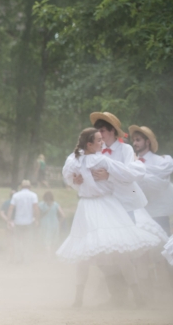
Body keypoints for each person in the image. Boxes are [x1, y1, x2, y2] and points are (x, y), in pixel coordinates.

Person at [59, 128, 160, 307]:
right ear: (89, 144)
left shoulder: (74, 160)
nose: (102, 143)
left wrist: (75, 180)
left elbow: (67, 175)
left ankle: (80, 299)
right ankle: (135, 296)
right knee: (117, 252)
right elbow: (128, 173)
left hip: (94, 205)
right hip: (101, 205)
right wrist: (78, 179)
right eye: (98, 140)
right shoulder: (99, 159)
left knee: (89, 251)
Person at [129, 125, 173, 235]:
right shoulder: (131, 163)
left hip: (159, 213)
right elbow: (131, 188)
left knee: (164, 248)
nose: (135, 143)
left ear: (147, 141)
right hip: (140, 215)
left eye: (138, 140)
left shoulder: (160, 161)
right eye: (134, 140)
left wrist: (139, 168)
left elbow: (160, 185)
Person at [7, 180, 39, 263]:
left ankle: (19, 258)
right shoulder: (33, 195)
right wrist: (37, 219)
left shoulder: (16, 195)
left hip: (18, 222)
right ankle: (27, 258)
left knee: (18, 241)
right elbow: (35, 208)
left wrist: (8, 220)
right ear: (30, 187)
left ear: (21, 186)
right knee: (28, 241)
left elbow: (11, 208)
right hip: (29, 222)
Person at [38, 191, 64, 255]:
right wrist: (59, 222)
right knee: (54, 240)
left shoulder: (41, 204)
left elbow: (38, 215)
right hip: (55, 224)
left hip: (45, 224)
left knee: (46, 241)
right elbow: (63, 215)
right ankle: (53, 254)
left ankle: (48, 256)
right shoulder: (56, 204)